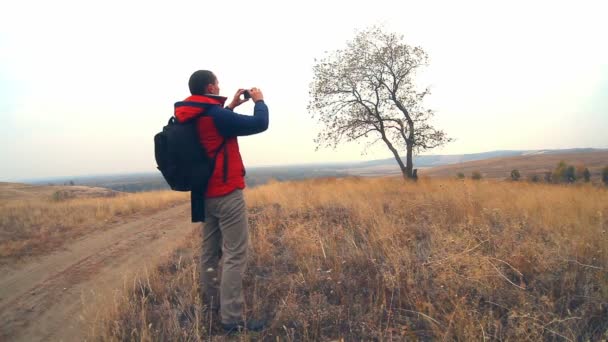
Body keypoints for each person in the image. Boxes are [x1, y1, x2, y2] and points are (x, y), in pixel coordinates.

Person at [174, 70, 269, 332]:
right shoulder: (216, 116)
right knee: (235, 255)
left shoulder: (189, 115)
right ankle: (232, 319)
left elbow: (212, 131)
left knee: (209, 252)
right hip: (226, 192)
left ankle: (212, 305)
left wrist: (232, 106)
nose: (219, 86)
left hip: (203, 195)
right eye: (217, 83)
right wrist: (259, 101)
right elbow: (260, 124)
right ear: (211, 87)